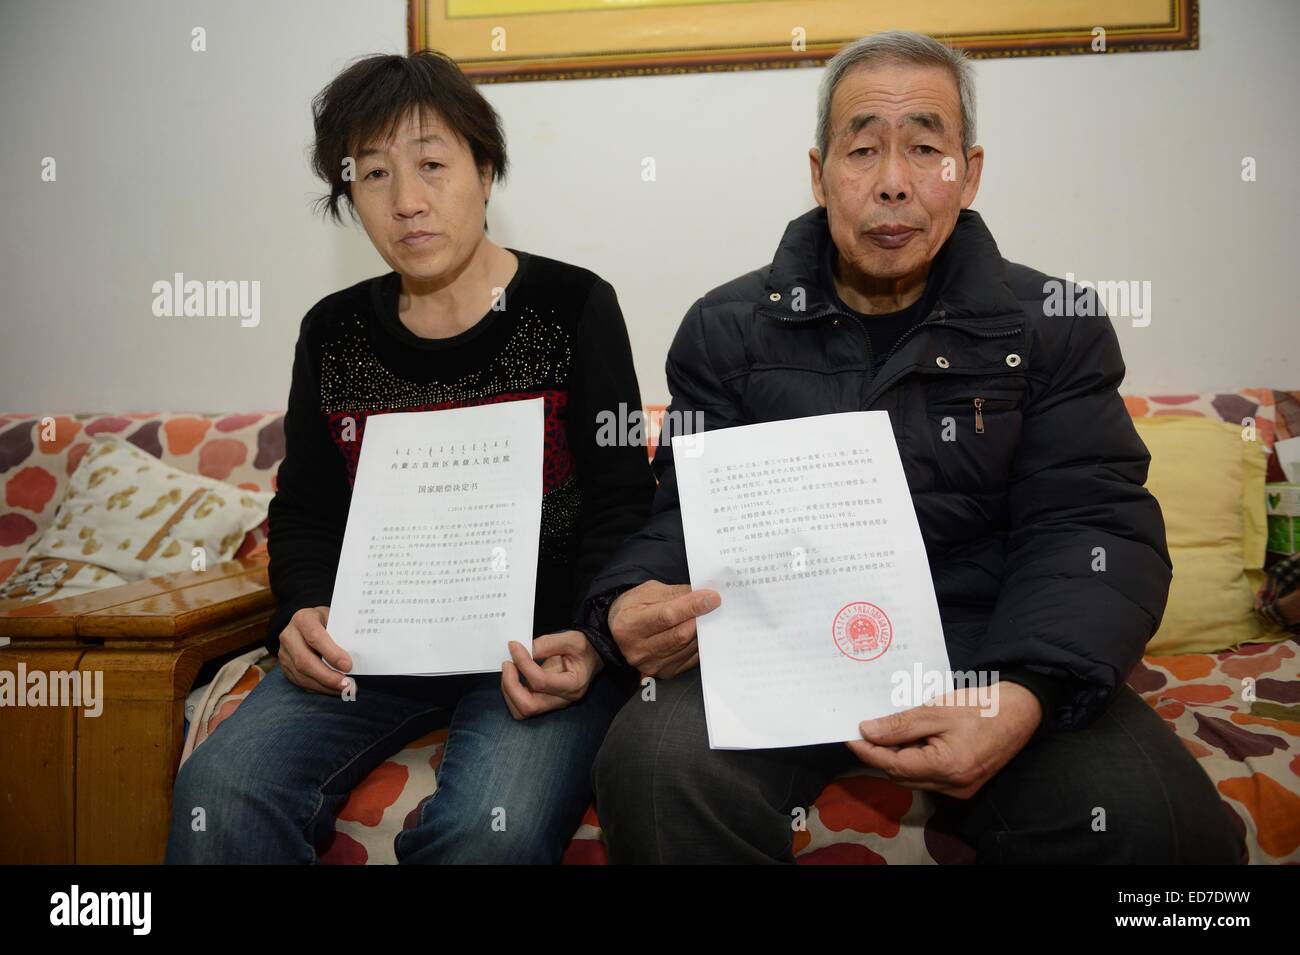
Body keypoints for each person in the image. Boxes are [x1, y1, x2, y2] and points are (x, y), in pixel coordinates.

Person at [569, 31, 1244, 864]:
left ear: (971, 171)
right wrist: (623, 604)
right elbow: (681, 517)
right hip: (775, 648)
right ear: (818, 174)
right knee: (653, 765)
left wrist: (1025, 692)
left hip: (993, 644)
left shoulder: (1054, 321)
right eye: (863, 150)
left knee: (1164, 827)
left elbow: (1092, 524)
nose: (893, 181)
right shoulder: (726, 328)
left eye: (926, 147)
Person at [166, 51, 654, 864]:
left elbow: (620, 499)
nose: (408, 202)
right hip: (374, 649)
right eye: (374, 175)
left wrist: (593, 639)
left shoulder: (574, 306)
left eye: (432, 164)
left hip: (534, 650)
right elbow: (309, 509)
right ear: (349, 195)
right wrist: (302, 612)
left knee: (487, 830)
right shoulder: (335, 332)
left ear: (485, 171)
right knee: (222, 791)